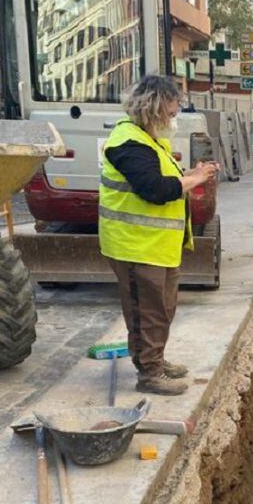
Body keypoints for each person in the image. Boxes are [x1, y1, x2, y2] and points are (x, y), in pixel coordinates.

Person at [100, 75, 219, 395]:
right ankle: (149, 372)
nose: (173, 120)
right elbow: (155, 190)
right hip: (135, 245)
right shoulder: (128, 143)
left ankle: (155, 358)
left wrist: (191, 175)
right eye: (169, 114)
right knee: (146, 311)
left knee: (162, 309)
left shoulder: (150, 142)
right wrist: (195, 181)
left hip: (156, 245)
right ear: (151, 110)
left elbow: (163, 180)